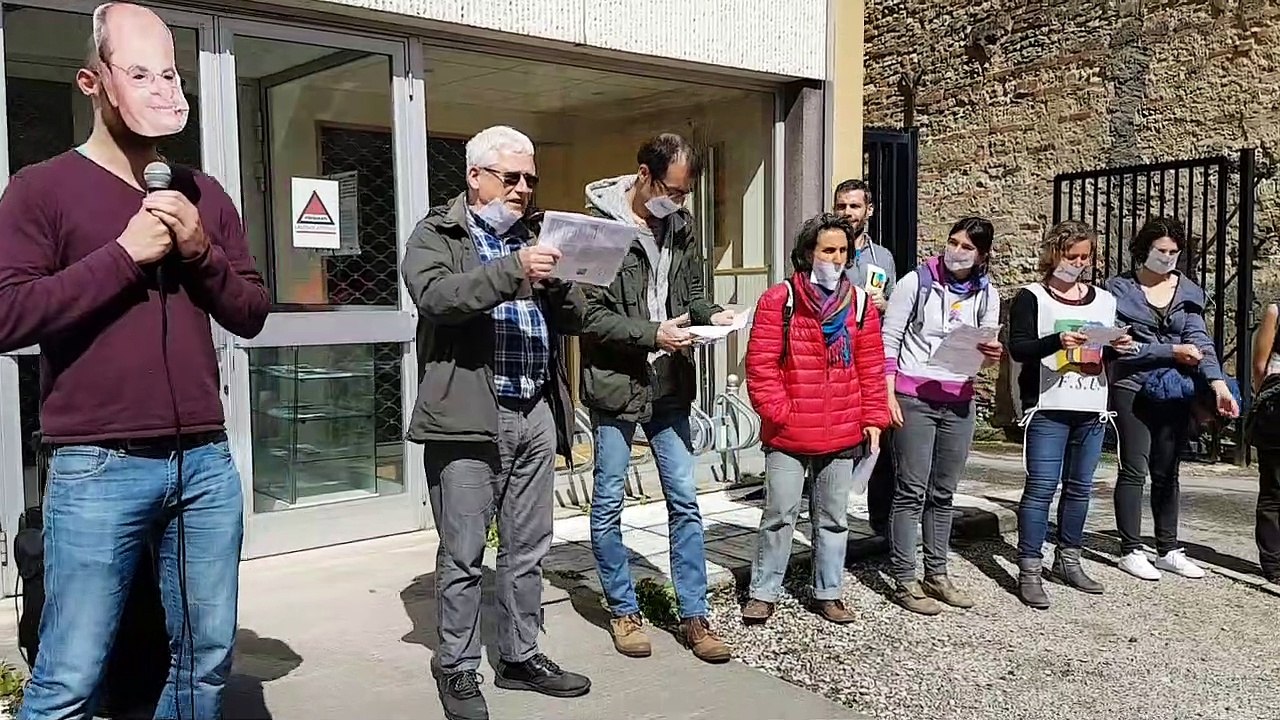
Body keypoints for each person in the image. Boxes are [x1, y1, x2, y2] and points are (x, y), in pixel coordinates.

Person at [0, 4, 271, 718]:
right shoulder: (41, 187)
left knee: (204, 665)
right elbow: (8, 316)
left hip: (204, 465)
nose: (161, 87)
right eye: (140, 72)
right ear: (94, 81)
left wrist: (198, 253)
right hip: (96, 465)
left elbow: (251, 312)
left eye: (170, 72)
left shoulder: (202, 193)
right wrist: (124, 257)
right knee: (71, 677)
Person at [401, 125, 591, 720]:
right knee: (463, 553)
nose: (524, 188)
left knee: (528, 546)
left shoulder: (538, 237)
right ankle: (456, 666)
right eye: (512, 177)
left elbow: (577, 317)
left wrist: (563, 283)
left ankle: (518, 655)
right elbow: (435, 297)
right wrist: (514, 271)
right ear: (476, 177)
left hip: (533, 409)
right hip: (467, 417)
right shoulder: (439, 232)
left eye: (531, 178)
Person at [579, 133, 734, 663]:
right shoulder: (598, 230)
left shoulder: (683, 227)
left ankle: (694, 616)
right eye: (672, 190)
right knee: (607, 503)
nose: (680, 203)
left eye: (686, 194)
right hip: (617, 383)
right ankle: (624, 610)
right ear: (643, 175)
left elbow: (692, 295)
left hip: (669, 383)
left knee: (684, 500)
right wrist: (652, 334)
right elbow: (588, 316)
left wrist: (714, 317)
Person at [740, 214, 890, 625]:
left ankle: (829, 590)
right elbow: (761, 365)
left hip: (841, 429)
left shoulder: (859, 304)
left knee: (833, 518)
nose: (836, 258)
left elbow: (871, 366)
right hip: (789, 431)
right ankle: (764, 591)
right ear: (809, 253)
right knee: (779, 513)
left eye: (843, 251)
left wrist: (873, 418)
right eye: (828, 250)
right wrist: (778, 412)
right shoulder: (780, 299)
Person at [1006, 221, 1135, 609]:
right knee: (1042, 487)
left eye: (1084, 257)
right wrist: (1056, 340)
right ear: (1053, 254)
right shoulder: (1032, 296)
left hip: (1092, 405)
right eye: (1070, 256)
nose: (1078, 264)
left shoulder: (1103, 300)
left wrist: (1118, 344)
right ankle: (1029, 567)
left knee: (1080, 487)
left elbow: (1103, 349)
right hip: (1048, 404)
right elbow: (1020, 348)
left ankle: (1069, 558)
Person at [1105, 217, 1239, 582]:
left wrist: (1218, 385)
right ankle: (1131, 548)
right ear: (1144, 250)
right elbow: (1119, 346)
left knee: (1168, 470)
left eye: (1173, 252)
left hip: (1173, 389)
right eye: (1160, 251)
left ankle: (1168, 549)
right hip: (1132, 384)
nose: (1167, 258)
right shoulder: (1118, 289)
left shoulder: (1189, 292)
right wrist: (1170, 349)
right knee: (1133, 466)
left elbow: (1201, 342)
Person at [881, 217, 1003, 615]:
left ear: (981, 255)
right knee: (910, 490)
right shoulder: (914, 283)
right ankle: (904, 577)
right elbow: (890, 339)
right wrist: (888, 395)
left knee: (943, 492)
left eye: (967, 247)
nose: (956, 251)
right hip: (914, 397)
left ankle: (937, 573)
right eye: (953, 242)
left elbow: (982, 351)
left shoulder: (988, 295)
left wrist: (991, 354)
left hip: (958, 400)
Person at [833, 178, 899, 536]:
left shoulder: (883, 257)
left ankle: (880, 524)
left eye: (854, 206)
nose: (847, 212)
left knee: (879, 440)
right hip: (834, 357)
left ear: (868, 211)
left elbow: (896, 306)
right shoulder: (826, 250)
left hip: (870, 359)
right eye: (841, 206)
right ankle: (830, 518)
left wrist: (884, 304)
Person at [1249, 301, 1280, 584]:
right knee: (1274, 488)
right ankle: (1273, 563)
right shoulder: (1276, 310)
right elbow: (1260, 365)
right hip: (1278, 408)